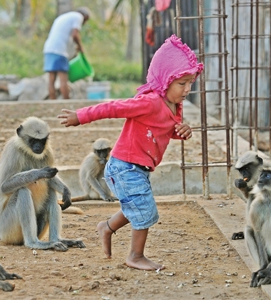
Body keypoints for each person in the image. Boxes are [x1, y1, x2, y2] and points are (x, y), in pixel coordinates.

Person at [57, 35, 204, 271]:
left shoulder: (174, 105)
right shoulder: (149, 102)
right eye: (182, 83)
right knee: (144, 209)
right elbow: (113, 107)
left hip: (138, 167)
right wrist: (81, 116)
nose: (187, 89)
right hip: (124, 166)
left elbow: (166, 129)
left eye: (190, 83)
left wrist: (182, 131)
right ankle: (135, 256)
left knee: (134, 206)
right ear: (165, 80)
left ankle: (106, 227)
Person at [43, 7, 91, 100]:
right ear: (84, 17)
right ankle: (67, 104)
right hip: (59, 50)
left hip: (49, 48)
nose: (83, 23)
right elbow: (75, 34)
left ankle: (52, 103)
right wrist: (81, 47)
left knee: (51, 80)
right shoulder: (78, 17)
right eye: (85, 21)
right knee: (63, 79)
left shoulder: (64, 17)